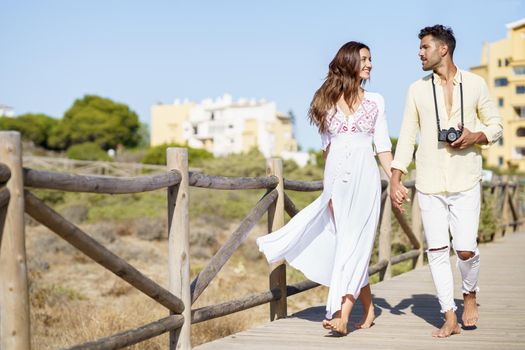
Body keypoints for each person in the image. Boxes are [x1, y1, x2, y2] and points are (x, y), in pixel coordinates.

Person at [257, 41, 393, 336]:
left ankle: (340, 316)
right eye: (365, 59)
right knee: (346, 245)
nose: (370, 64)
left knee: (354, 244)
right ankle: (367, 309)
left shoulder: (377, 101)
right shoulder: (325, 103)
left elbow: (382, 147)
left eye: (371, 59)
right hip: (337, 184)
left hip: (366, 180)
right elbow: (327, 152)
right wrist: (327, 191)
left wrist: (394, 179)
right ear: (349, 63)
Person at [390, 25, 503, 338]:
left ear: (443, 49)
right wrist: (395, 179)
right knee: (437, 250)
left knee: (465, 250)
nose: (420, 53)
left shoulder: (477, 84)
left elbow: (496, 125)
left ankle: (469, 295)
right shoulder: (416, 89)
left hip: (465, 179)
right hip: (428, 182)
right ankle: (449, 315)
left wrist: (475, 136)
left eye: (425, 47)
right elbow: (407, 136)